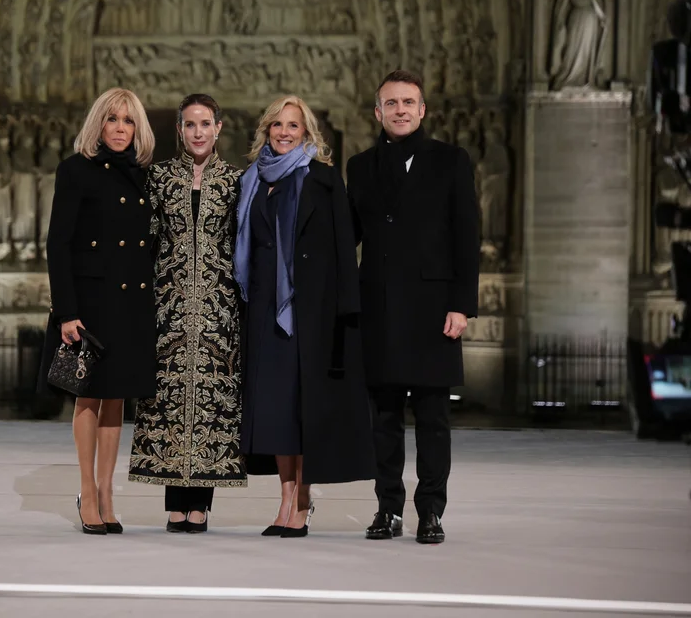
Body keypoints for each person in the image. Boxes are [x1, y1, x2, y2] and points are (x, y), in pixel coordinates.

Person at [345, 70, 480, 545]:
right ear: (377, 111)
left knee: (433, 420)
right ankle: (388, 509)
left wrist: (461, 306)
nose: (399, 110)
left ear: (422, 110)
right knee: (382, 420)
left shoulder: (450, 160)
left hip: (432, 310)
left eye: (408, 102)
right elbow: (348, 237)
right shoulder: (360, 166)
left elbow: (467, 236)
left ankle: (431, 512)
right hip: (378, 308)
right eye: (391, 103)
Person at [237, 95, 375, 538]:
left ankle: (301, 500)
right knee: (276, 409)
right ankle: (284, 498)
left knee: (302, 408)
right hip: (262, 310)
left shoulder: (323, 178)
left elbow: (343, 247)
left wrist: (345, 311)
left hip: (307, 311)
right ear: (266, 129)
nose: (284, 132)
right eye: (277, 124)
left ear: (306, 132)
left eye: (293, 125)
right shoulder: (251, 180)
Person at [40, 87, 157, 535]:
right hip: (90, 303)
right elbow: (59, 244)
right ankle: (87, 491)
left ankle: (107, 492)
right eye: (112, 119)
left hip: (132, 303)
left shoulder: (145, 176)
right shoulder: (75, 170)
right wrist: (66, 312)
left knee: (117, 398)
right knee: (88, 395)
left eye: (128, 120)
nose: (120, 128)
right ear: (98, 123)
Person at [129, 93, 246, 533]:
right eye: (190, 124)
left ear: (218, 128)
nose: (198, 132)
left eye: (206, 124)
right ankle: (175, 503)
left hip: (220, 308)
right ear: (179, 130)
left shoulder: (236, 181)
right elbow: (145, 241)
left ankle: (201, 505)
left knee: (213, 402)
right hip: (169, 305)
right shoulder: (159, 178)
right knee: (169, 398)